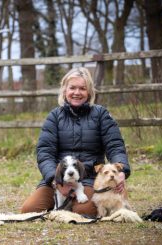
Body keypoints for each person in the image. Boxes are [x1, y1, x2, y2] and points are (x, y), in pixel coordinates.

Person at [21, 67, 130, 216]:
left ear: (89, 92)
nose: (77, 93)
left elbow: (115, 146)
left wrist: (122, 171)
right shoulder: (54, 116)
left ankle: (72, 204)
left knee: (85, 211)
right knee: (29, 210)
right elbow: (44, 152)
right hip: (58, 179)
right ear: (65, 90)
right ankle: (61, 201)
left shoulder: (101, 114)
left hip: (89, 179)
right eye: (72, 88)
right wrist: (56, 182)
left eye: (82, 89)